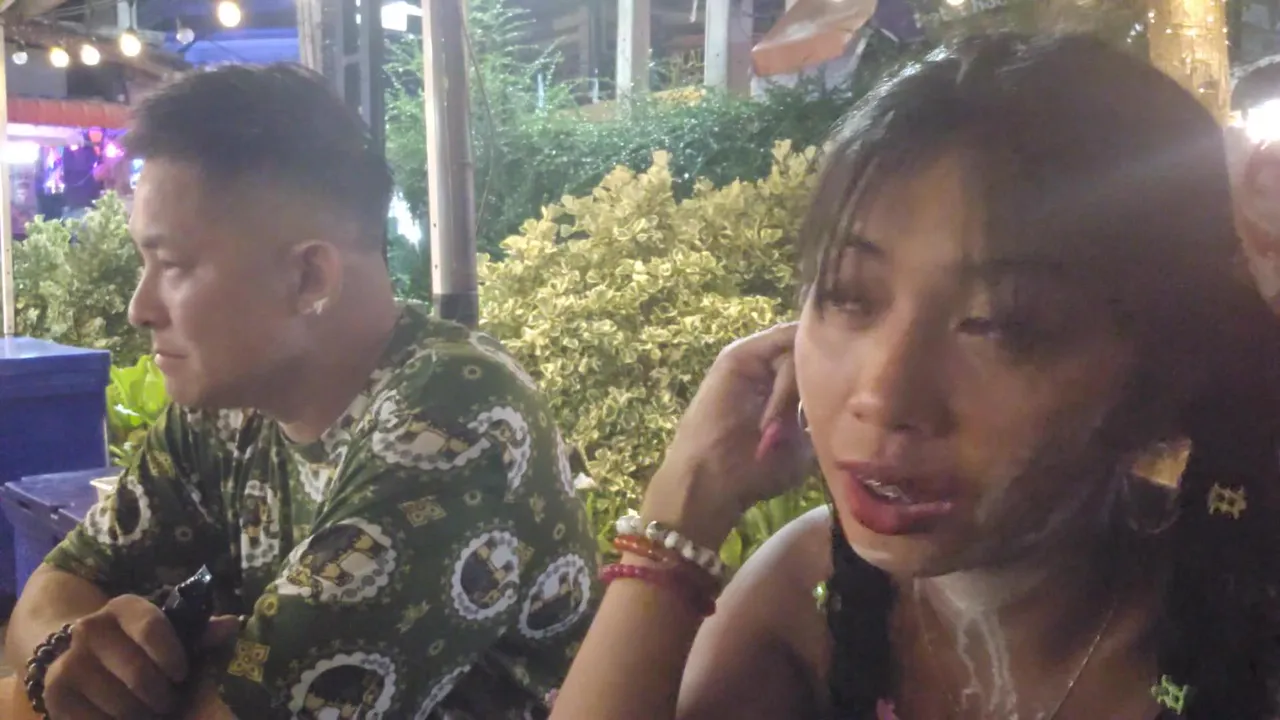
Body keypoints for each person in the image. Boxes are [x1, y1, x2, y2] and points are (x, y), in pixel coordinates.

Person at [549, 34, 1280, 720]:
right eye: (848, 295)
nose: (884, 395)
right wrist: (685, 508)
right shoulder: (809, 600)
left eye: (1000, 324)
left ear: (1161, 368)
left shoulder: (1247, 614)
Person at [5, 64, 597, 720]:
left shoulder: (455, 424)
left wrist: (98, 682)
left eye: (172, 266)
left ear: (310, 277)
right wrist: (66, 655)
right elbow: (54, 590)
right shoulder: (230, 409)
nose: (139, 308)